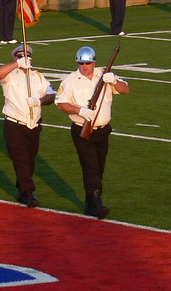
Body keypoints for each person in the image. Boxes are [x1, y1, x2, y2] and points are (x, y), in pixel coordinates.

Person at [55, 45, 129, 219]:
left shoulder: (104, 75)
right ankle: (97, 203)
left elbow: (125, 89)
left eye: (87, 63)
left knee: (99, 167)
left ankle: (90, 202)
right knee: (91, 167)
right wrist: (79, 110)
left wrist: (114, 81)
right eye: (81, 63)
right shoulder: (70, 81)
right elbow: (60, 103)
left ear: (94, 62)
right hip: (82, 129)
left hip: (102, 130)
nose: (84, 66)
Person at [0, 43, 56, 208]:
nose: (24, 58)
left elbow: (52, 95)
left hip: (33, 124)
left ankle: (22, 189)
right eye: (20, 56)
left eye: (27, 56)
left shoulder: (38, 77)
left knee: (30, 160)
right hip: (14, 123)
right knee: (21, 158)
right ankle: (29, 192)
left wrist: (39, 101)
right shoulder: (11, 75)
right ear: (14, 58)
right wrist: (17, 64)